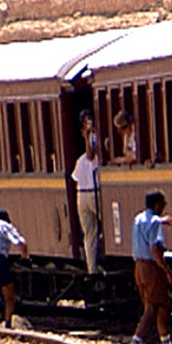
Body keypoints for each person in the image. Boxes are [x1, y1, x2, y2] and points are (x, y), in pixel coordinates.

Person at [125, 190, 172, 344]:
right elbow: (154, 249)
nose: (164, 208)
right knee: (152, 307)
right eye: (163, 204)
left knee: (161, 304)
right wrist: (167, 271)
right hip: (151, 267)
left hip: (138, 266)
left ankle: (166, 343)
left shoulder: (138, 219)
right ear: (157, 204)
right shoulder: (155, 222)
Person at [71, 109, 101, 274]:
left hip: (82, 194)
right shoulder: (83, 159)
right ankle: (93, 269)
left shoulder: (81, 160)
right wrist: (87, 137)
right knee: (91, 233)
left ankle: (92, 269)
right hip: (90, 192)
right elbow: (91, 154)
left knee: (90, 234)